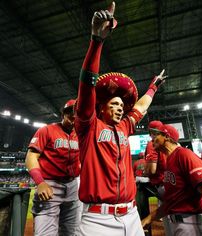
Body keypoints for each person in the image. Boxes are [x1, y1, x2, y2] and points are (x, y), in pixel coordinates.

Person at [74, 2, 167, 236]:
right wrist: (97, 41)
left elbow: (141, 107)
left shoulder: (125, 126)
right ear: (101, 108)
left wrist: (153, 88)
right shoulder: (89, 125)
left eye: (121, 105)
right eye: (113, 104)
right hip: (98, 220)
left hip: (132, 216)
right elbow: (87, 86)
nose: (119, 108)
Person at [142, 121, 202, 236]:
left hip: (193, 224)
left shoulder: (184, 154)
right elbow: (173, 201)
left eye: (156, 135)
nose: (152, 139)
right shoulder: (170, 160)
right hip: (179, 223)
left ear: (166, 136)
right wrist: (149, 218)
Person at [25, 99, 81, 236]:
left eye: (77, 112)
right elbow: (31, 157)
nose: (74, 115)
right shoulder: (47, 130)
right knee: (45, 233)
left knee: (71, 232)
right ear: (63, 115)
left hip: (73, 185)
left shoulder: (81, 134)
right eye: (70, 113)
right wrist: (40, 182)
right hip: (50, 185)